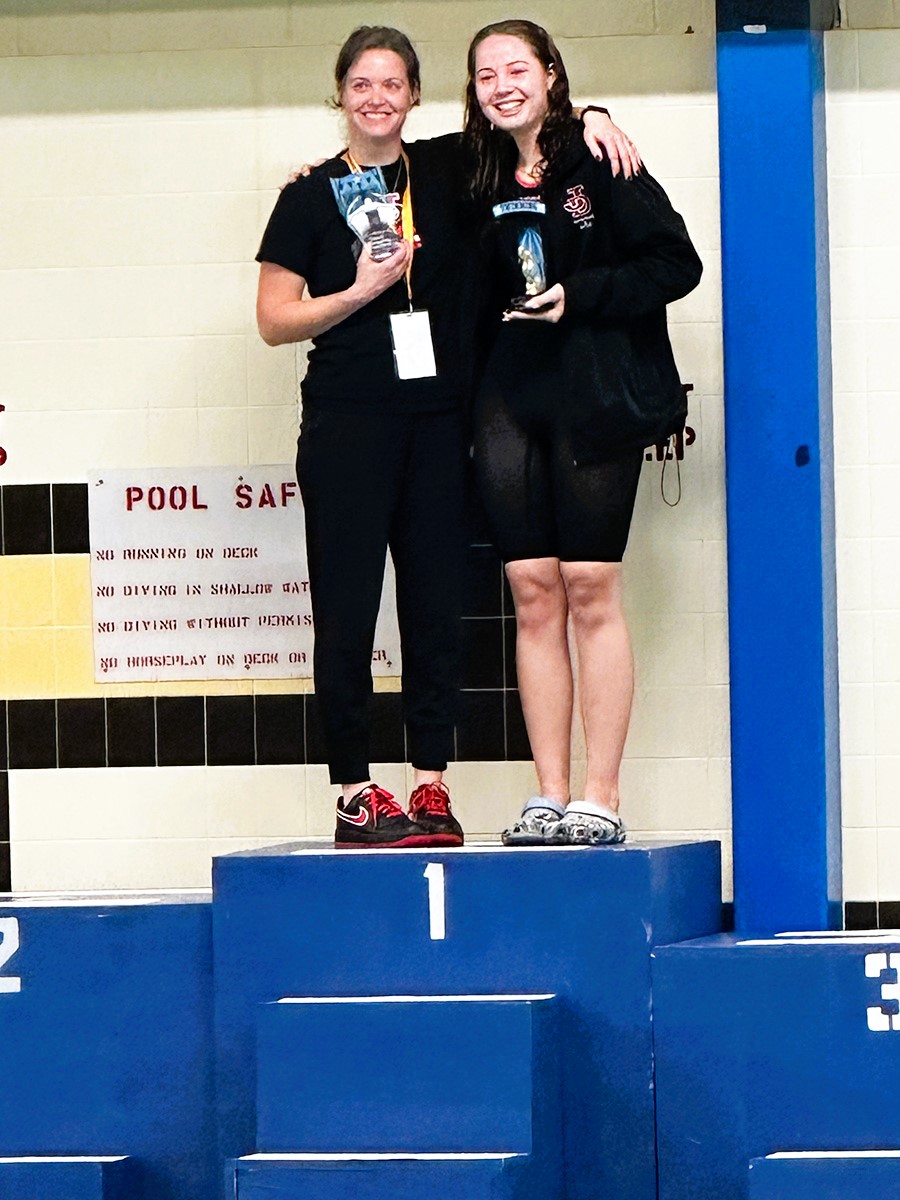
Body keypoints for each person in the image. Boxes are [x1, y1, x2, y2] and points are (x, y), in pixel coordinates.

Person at [255, 26, 640, 849]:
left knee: (437, 604)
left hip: (437, 421)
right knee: (349, 607)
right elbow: (273, 320)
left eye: (393, 84)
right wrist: (357, 292)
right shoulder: (308, 195)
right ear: (341, 94)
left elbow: (529, 132)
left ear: (415, 95)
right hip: (347, 422)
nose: (377, 99)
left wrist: (596, 113)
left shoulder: (445, 171)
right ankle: (356, 790)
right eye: (362, 84)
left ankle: (430, 783)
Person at [463, 20, 703, 846]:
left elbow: (678, 263)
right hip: (511, 396)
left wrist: (582, 294)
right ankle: (550, 793)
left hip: (594, 394)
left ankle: (601, 796)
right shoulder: (481, 166)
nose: (502, 85)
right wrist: (324, 173)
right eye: (486, 74)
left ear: (552, 73)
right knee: (532, 591)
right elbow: (386, 153)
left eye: (517, 68)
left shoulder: (601, 157)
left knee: (590, 588)